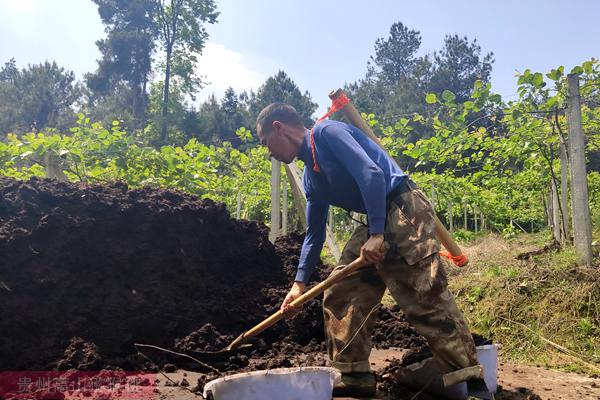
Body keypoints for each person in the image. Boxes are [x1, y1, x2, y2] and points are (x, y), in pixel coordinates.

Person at [256, 103, 489, 398]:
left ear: (278, 127)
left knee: (423, 293)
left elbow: (371, 173)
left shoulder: (326, 133)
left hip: (403, 207)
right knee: (342, 290)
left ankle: (473, 383)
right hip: (375, 219)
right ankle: (354, 375)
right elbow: (314, 235)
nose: (269, 153)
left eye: (266, 143)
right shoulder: (310, 178)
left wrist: (377, 234)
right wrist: (299, 284)